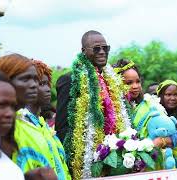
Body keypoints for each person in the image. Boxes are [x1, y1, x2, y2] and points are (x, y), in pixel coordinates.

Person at [55, 30, 131, 179]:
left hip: (115, 158)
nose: (102, 52)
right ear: (84, 51)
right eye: (96, 48)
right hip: (85, 161)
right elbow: (62, 127)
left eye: (105, 48)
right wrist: (74, 160)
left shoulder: (113, 80)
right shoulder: (70, 80)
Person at [0, 54, 60, 179]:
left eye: (35, 79)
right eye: (25, 79)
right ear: (4, 81)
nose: (34, 85)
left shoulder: (24, 123)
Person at [112, 59, 177, 159]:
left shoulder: (150, 104)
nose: (135, 86)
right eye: (129, 83)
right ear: (116, 84)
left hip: (153, 165)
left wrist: (158, 142)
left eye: (138, 81)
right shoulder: (112, 111)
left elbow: (176, 137)